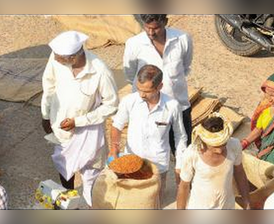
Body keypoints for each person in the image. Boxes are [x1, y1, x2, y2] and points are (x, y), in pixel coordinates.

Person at [41, 31, 118, 206]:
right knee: (64, 165)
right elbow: (49, 85)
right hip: (60, 127)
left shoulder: (100, 71)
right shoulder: (56, 58)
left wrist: (79, 122)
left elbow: (111, 105)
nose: (56, 60)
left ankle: (92, 207)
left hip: (88, 131)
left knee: (91, 173)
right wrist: (45, 115)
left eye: (61, 58)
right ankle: (68, 201)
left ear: (74, 57)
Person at [123, 14, 193, 183]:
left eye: (155, 28)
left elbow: (186, 66)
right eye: (147, 27)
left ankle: (184, 187)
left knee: (183, 149)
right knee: (148, 152)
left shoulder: (182, 39)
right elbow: (130, 74)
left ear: (165, 22)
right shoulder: (134, 44)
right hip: (148, 110)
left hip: (180, 107)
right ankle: (148, 188)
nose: (151, 32)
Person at [110, 64, 187, 208]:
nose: (142, 94)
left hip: (158, 165)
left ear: (159, 87)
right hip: (132, 164)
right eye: (139, 89)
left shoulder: (172, 106)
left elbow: (180, 136)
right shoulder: (129, 101)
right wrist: (114, 149)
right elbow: (117, 125)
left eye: (147, 91)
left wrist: (179, 164)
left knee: (155, 202)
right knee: (131, 203)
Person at [177, 113, 250, 209]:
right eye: (215, 146)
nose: (219, 150)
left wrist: (246, 202)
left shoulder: (234, 145)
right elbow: (184, 186)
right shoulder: (192, 153)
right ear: (205, 142)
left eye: (223, 144)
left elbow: (239, 173)